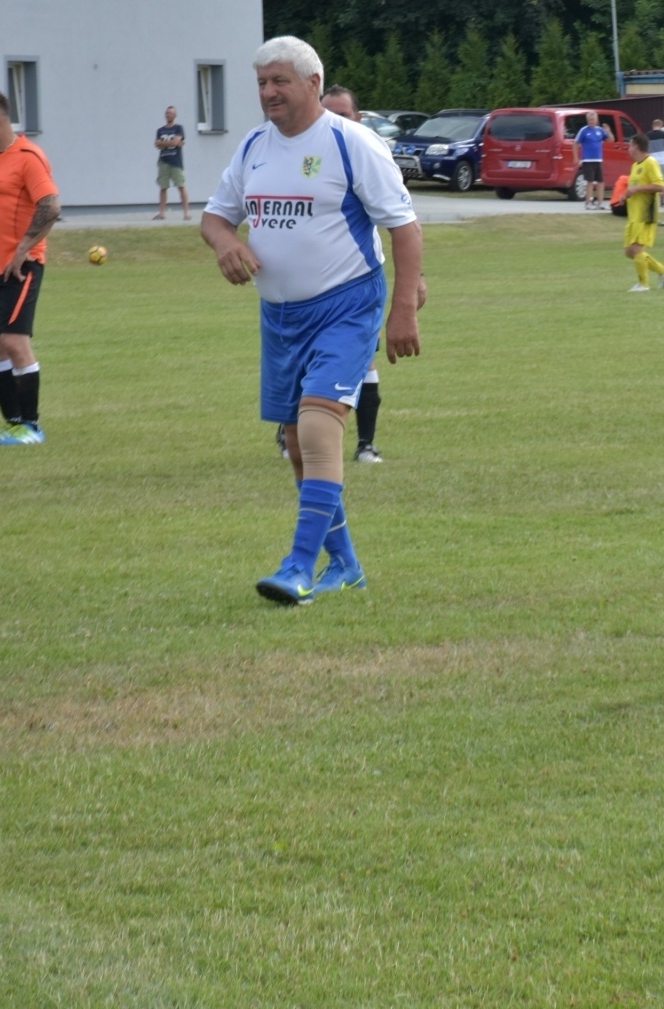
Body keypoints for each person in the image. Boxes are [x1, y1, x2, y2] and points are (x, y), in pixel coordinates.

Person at [202, 36, 423, 605]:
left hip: (347, 304)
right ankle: (345, 564)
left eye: (279, 81)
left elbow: (404, 226)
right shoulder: (253, 145)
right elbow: (215, 216)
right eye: (261, 83)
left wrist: (402, 310)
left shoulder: (353, 144)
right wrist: (226, 242)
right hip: (279, 317)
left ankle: (299, 564)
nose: (268, 93)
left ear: (313, 84)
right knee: (299, 446)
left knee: (319, 424)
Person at [320, 84, 428, 464]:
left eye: (343, 114)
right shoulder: (307, 151)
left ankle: (366, 444)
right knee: (308, 361)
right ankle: (291, 431)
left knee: (365, 358)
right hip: (311, 285)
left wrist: (416, 279)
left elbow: (401, 221)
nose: (336, 121)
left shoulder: (369, 151)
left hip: (358, 281)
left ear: (359, 117)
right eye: (328, 113)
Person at [0, 89, 60, 446]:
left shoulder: (28, 156)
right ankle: (12, 424)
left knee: (13, 341)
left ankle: (32, 426)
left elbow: (50, 206)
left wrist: (23, 250)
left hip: (19, 268)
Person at [623, 131, 664, 292]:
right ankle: (663, 271)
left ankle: (643, 285)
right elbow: (635, 188)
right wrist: (626, 195)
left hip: (646, 210)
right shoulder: (635, 166)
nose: (628, 149)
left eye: (630, 145)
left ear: (637, 146)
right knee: (629, 251)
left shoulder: (651, 162)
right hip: (635, 213)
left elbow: (660, 186)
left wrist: (636, 189)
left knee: (637, 249)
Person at [153, 105, 191, 220]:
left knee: (181, 186)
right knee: (163, 187)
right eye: (167, 113)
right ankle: (162, 213)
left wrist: (164, 142)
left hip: (176, 161)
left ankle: (186, 213)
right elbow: (156, 144)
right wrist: (172, 142)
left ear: (175, 115)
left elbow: (175, 142)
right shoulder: (160, 130)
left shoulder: (178, 128)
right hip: (163, 161)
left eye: (170, 113)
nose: (168, 115)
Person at [575, 110, 613, 210]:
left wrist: (608, 131)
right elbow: (575, 143)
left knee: (601, 181)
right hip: (588, 160)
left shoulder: (600, 130)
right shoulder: (584, 130)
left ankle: (600, 203)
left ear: (596, 120)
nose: (591, 121)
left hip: (598, 160)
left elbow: (611, 140)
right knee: (590, 181)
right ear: (587, 120)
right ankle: (588, 203)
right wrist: (575, 157)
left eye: (593, 119)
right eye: (589, 119)